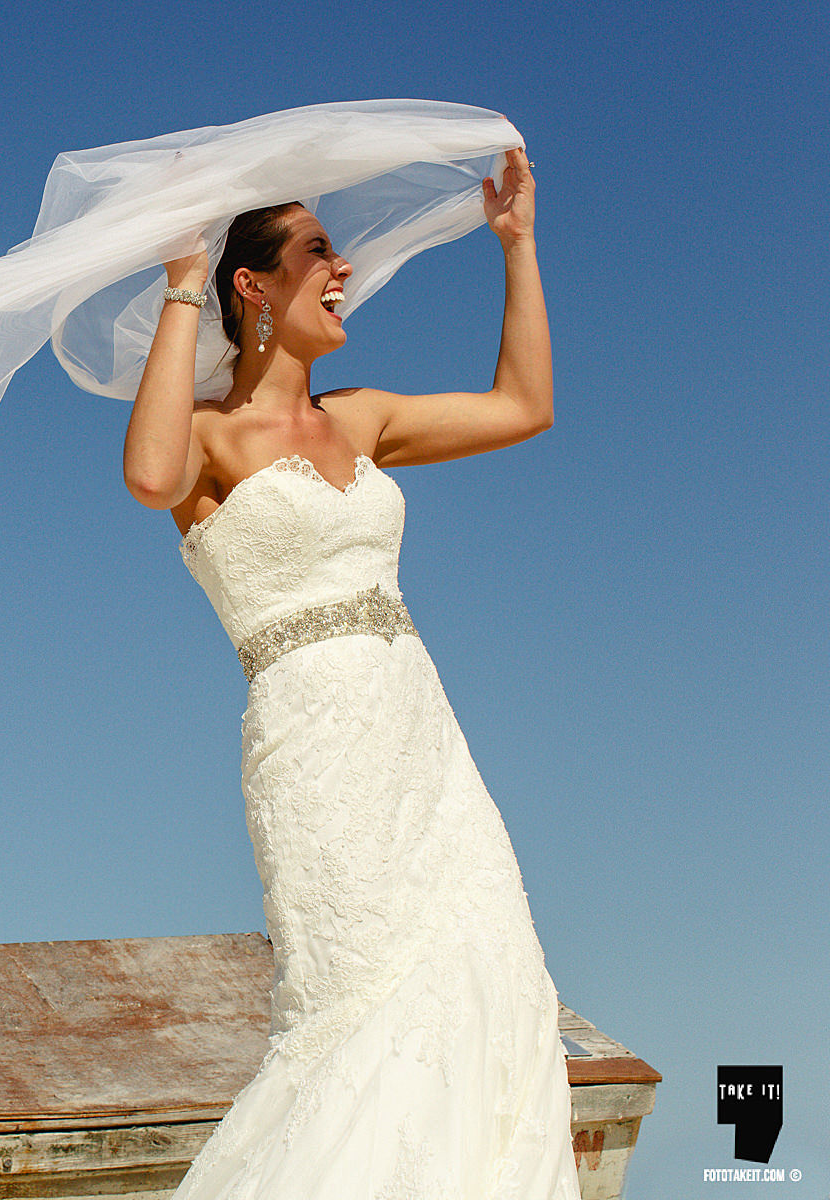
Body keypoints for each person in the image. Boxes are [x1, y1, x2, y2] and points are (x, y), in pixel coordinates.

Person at [123, 147, 582, 1198]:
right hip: (313, 742)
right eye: (318, 249)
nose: (346, 267)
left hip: (425, 743)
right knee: (362, 999)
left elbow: (525, 405)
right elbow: (150, 477)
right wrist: (180, 283)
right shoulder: (204, 438)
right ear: (255, 285)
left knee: (488, 972)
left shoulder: (362, 417)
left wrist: (518, 246)